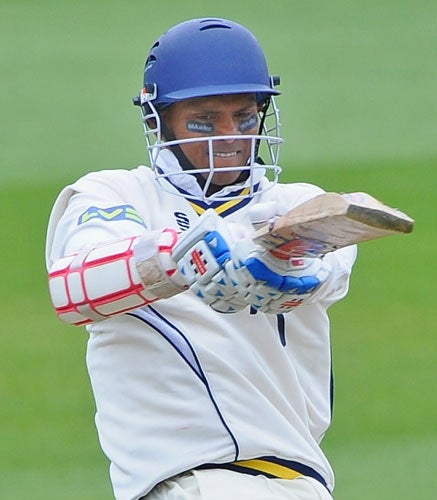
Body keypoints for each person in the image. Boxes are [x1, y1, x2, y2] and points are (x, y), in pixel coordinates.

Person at [45, 18, 357, 500]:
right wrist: (179, 258)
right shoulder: (115, 194)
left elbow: (330, 265)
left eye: (244, 117)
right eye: (204, 121)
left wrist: (286, 262)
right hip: (184, 482)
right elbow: (73, 289)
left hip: (299, 484)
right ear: (157, 119)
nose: (229, 136)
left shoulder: (294, 205)